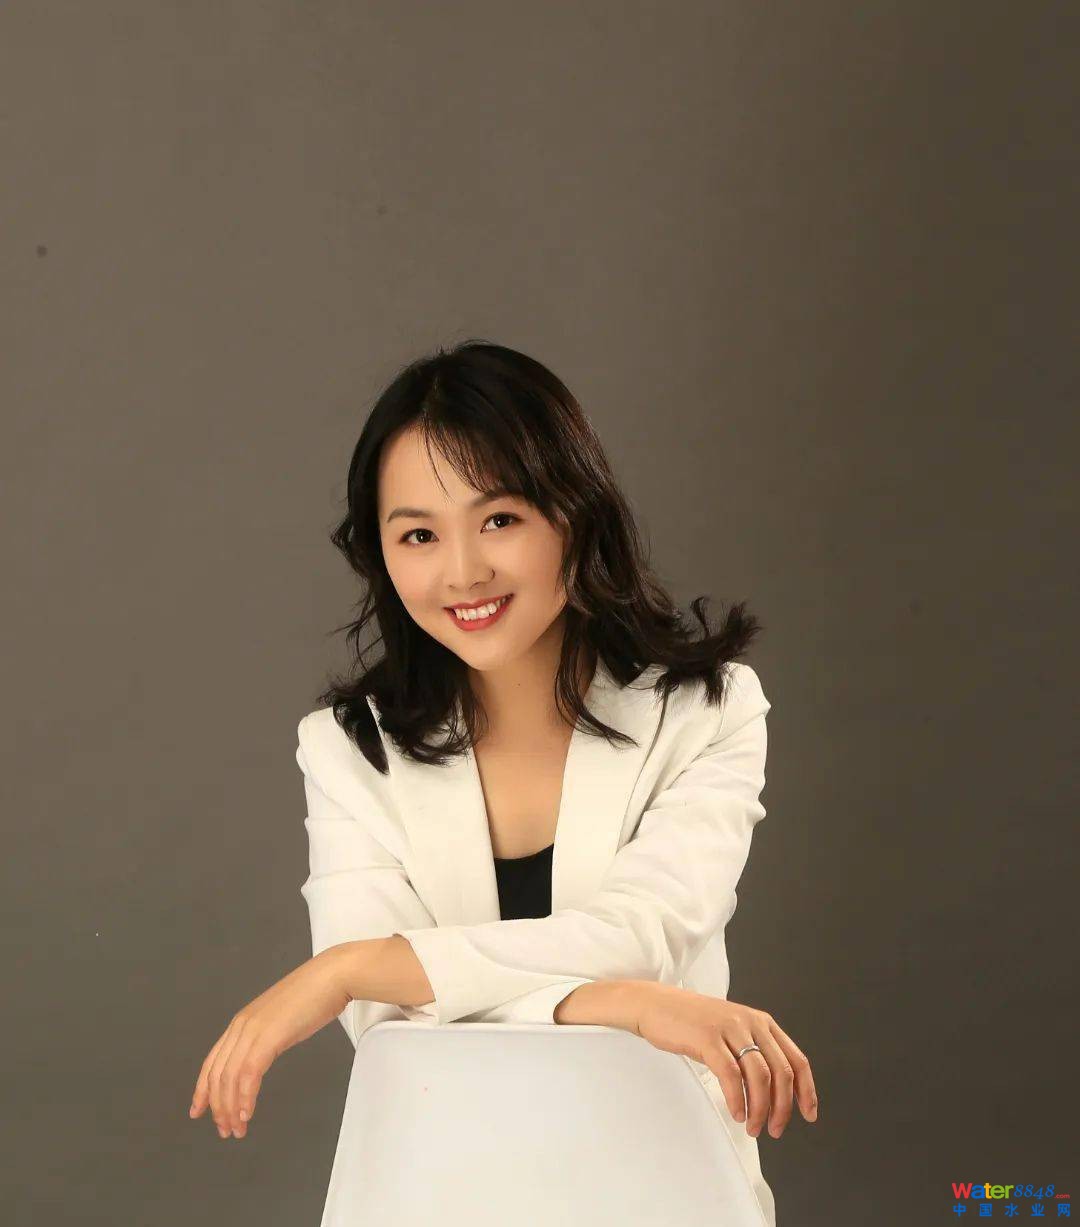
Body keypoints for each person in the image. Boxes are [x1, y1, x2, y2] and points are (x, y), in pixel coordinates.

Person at [188, 340, 818, 1224]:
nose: (463, 571)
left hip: (660, 1185)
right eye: (418, 534)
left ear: (576, 513)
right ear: (381, 553)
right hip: (432, 1192)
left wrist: (351, 966)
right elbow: (393, 1029)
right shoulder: (347, 748)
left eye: (500, 520)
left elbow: (638, 933)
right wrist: (630, 1006)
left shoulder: (707, 711)